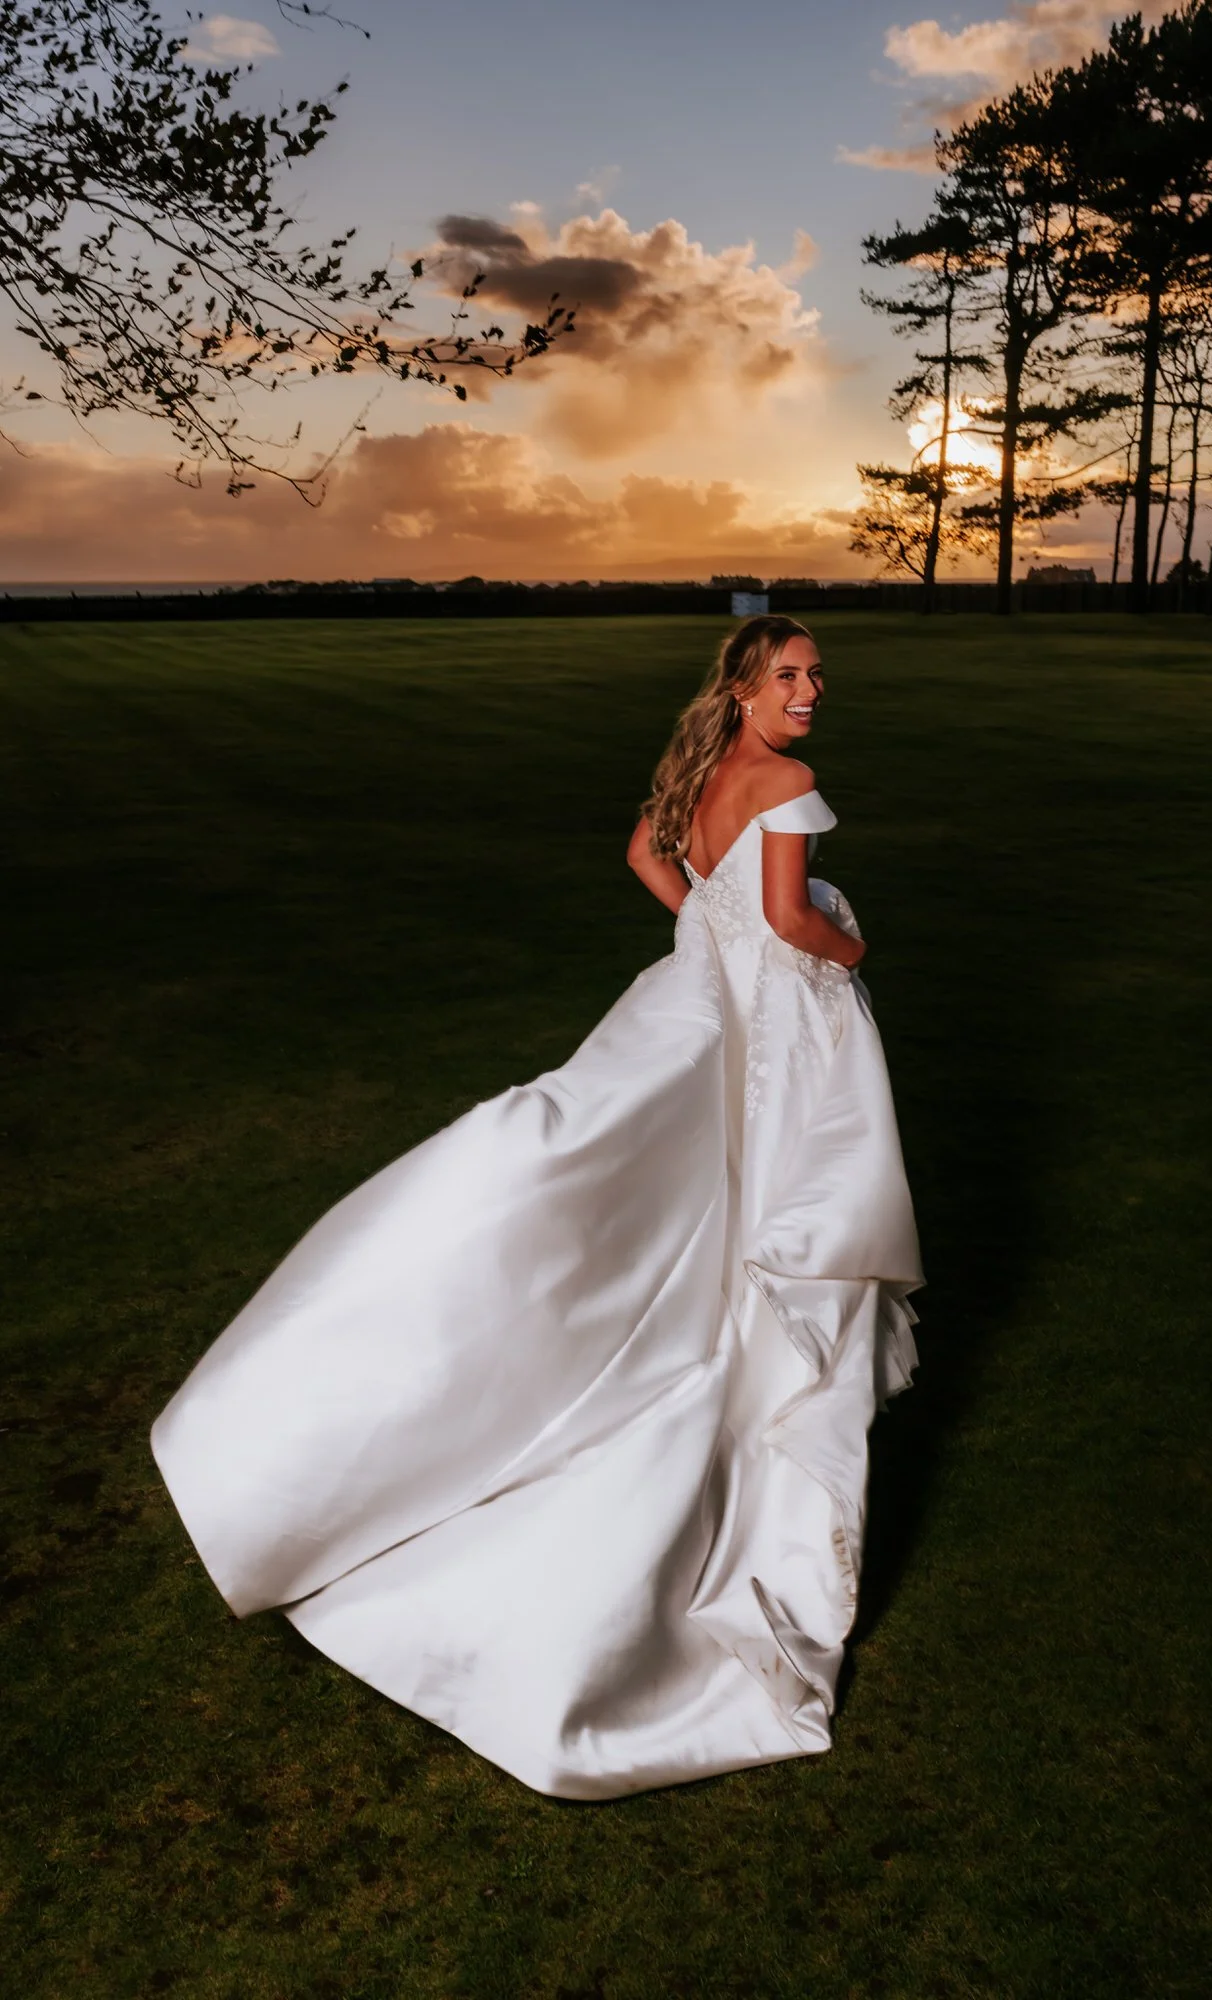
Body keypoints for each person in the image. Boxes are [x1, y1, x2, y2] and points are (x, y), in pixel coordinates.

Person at [152, 614, 923, 1801]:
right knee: (763, 1214)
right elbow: (783, 916)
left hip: (696, 1005)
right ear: (746, 683)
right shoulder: (787, 778)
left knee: (691, 1205)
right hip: (769, 1026)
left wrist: (700, 932)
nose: (811, 689)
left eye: (818, 673)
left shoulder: (708, 765)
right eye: (789, 673)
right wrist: (848, 948)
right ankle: (711, 1427)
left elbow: (647, 857)